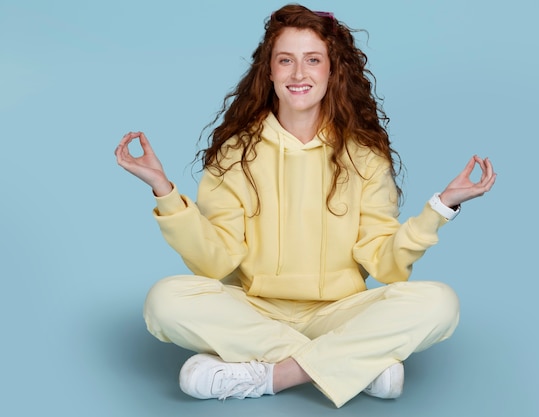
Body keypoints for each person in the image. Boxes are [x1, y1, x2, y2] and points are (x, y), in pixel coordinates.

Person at [114, 4, 496, 409]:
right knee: (165, 301)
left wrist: (441, 206)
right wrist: (163, 189)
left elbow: (387, 267)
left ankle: (272, 374)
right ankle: (357, 362)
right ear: (270, 72)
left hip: (340, 312)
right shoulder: (234, 153)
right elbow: (214, 263)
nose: (299, 74)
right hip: (255, 312)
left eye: (313, 60)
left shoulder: (364, 157)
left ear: (333, 71)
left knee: (440, 304)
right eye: (286, 61)